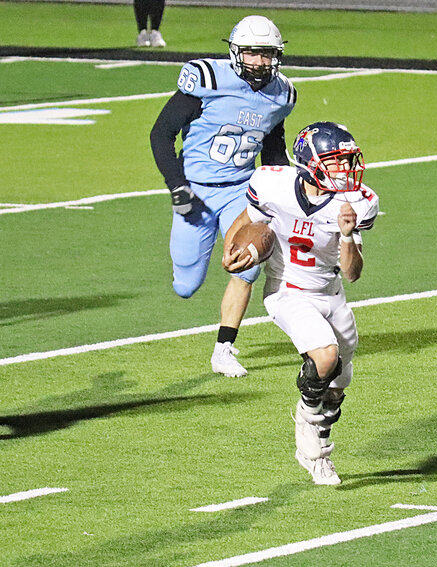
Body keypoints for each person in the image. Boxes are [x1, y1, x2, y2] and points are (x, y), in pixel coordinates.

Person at [223, 122, 379, 485]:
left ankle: (317, 445)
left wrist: (346, 234)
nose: (345, 172)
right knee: (325, 356)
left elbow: (353, 273)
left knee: (337, 387)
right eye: (335, 163)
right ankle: (307, 425)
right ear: (310, 163)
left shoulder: (358, 202)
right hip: (287, 289)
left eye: (347, 162)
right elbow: (250, 222)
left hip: (331, 292)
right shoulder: (272, 184)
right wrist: (234, 249)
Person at [150, 15, 296, 377]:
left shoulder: (282, 94)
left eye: (267, 54)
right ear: (236, 52)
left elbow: (274, 154)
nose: (260, 62)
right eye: (252, 53)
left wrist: (290, 193)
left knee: (250, 265)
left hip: (240, 191)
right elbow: (160, 133)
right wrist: (177, 186)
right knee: (186, 285)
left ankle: (223, 348)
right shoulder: (208, 80)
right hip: (196, 192)